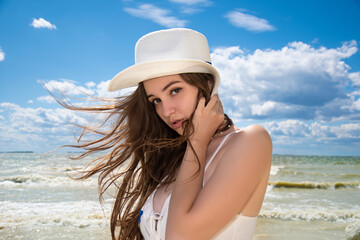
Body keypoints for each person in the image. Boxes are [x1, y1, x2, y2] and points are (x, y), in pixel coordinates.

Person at [63, 28, 272, 240]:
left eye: (174, 91)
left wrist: (197, 140)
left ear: (207, 84)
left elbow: (180, 236)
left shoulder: (251, 141)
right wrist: (194, 142)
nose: (166, 111)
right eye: (156, 100)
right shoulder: (174, 157)